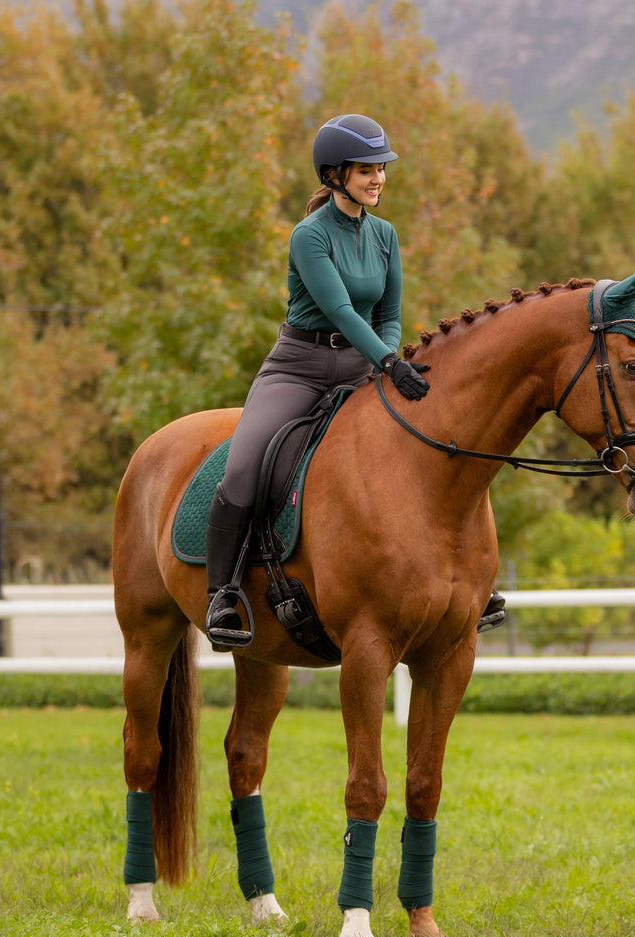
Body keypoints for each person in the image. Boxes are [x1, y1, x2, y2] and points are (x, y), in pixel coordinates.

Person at [205, 113, 503, 649]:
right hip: (299, 367)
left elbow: (388, 312)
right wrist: (388, 364)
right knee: (245, 466)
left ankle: (471, 579)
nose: (377, 178)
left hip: (365, 364)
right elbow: (340, 310)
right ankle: (222, 593)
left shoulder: (385, 235)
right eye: (366, 169)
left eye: (381, 168)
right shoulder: (308, 237)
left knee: (440, 442)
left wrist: (386, 356)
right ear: (335, 174)